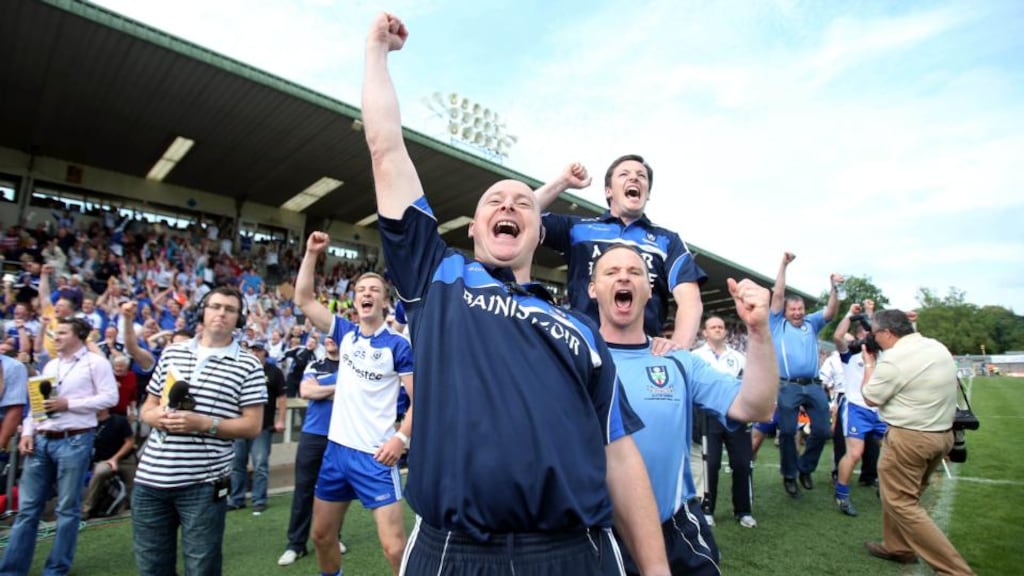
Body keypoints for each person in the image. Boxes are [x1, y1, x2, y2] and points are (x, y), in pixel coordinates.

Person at [363, 13, 669, 575]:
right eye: (493, 203)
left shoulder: (580, 329)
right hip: (451, 552)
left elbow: (620, 457)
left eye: (523, 203)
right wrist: (376, 54)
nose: (508, 206)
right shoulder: (438, 279)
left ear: (537, 232)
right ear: (473, 231)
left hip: (575, 552)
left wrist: (656, 571)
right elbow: (386, 151)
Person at [591, 245, 777, 575]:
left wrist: (759, 331)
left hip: (674, 527)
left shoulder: (678, 360)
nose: (623, 277)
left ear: (650, 291)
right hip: (597, 533)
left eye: (635, 272)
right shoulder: (576, 359)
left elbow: (757, 407)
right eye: (611, 272)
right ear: (593, 289)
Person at [294, 231, 414, 576]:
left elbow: (420, 402)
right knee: (321, 535)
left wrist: (400, 438)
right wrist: (312, 253)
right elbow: (303, 298)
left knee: (394, 548)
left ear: (384, 302)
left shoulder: (397, 345)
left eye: (374, 290)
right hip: (336, 453)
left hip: (375, 455)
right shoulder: (344, 333)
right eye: (361, 289)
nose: (367, 293)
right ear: (354, 299)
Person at [131, 286, 267, 576]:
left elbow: (253, 425)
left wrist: (205, 423)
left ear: (239, 319)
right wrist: (157, 418)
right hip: (150, 481)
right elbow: (147, 407)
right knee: (152, 568)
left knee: (201, 568)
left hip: (203, 484)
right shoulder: (172, 353)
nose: (221, 313)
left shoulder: (249, 365)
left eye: (230, 309)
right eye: (216, 306)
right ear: (203, 312)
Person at [535, 161, 707, 348]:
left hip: (641, 354)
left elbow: (690, 301)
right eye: (624, 174)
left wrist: (677, 349)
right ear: (609, 190)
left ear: (647, 193)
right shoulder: (577, 229)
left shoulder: (667, 241)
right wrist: (563, 182)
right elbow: (521, 213)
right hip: (583, 349)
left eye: (642, 176)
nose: (634, 177)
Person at [0, 317, 118, 575]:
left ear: (79, 335)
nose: (56, 336)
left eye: (62, 332)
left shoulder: (96, 364)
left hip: (75, 440)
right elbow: (38, 402)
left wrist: (69, 404)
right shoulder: (51, 364)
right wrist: (28, 432)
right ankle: (11, 570)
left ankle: (56, 569)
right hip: (42, 440)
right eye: (56, 332)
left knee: (67, 509)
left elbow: (111, 397)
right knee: (28, 510)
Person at [861, 310, 974, 574]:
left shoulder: (895, 360)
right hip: (941, 435)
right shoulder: (937, 347)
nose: (874, 339)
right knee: (900, 496)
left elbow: (869, 397)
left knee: (903, 503)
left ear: (887, 333)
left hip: (909, 438)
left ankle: (956, 571)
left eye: (875, 333)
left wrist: (869, 364)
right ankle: (897, 547)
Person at [769, 251, 839, 497]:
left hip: (814, 386)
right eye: (793, 309)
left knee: (821, 431)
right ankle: (789, 475)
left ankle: (805, 468)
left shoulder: (812, 323)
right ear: (785, 311)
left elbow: (830, 311)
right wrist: (783, 264)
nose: (797, 312)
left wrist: (834, 288)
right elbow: (778, 294)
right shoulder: (777, 323)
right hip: (788, 386)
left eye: (800, 309)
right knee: (787, 431)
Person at [277, 335, 348, 566]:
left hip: (341, 435)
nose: (329, 340)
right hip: (313, 436)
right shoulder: (314, 365)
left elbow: (354, 394)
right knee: (304, 490)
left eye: (333, 337)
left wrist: (323, 389)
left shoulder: (352, 365)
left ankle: (333, 537)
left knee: (336, 491)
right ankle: (296, 545)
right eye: (325, 338)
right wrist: (337, 389)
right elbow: (306, 391)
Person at [691, 315, 758, 529]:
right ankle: (707, 509)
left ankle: (744, 511)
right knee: (709, 463)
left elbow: (748, 384)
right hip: (707, 416)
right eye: (713, 327)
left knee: (742, 463)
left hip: (735, 416)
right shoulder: (695, 356)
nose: (718, 329)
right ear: (705, 332)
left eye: (721, 326)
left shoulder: (738, 357)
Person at [831, 301, 886, 517]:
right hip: (856, 408)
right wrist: (850, 314)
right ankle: (842, 494)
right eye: (864, 332)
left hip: (880, 410)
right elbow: (837, 336)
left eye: (870, 332)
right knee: (854, 453)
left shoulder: (884, 354)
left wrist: (870, 313)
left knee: (891, 451)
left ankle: (886, 487)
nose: (868, 336)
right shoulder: (850, 354)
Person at [227, 342, 286, 514]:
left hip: (263, 425)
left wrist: (280, 420)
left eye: (258, 350)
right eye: (252, 350)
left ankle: (259, 499)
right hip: (239, 423)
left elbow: (282, 398)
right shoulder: (240, 369)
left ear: (265, 353)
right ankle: (236, 499)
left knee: (260, 464)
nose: (255, 353)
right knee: (237, 463)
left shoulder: (274, 372)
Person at [82, 407, 136, 519]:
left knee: (136, 495)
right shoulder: (89, 425)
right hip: (104, 461)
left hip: (125, 459)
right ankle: (86, 508)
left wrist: (115, 459)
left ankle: (129, 505)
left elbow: (130, 442)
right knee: (100, 472)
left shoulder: (119, 421)